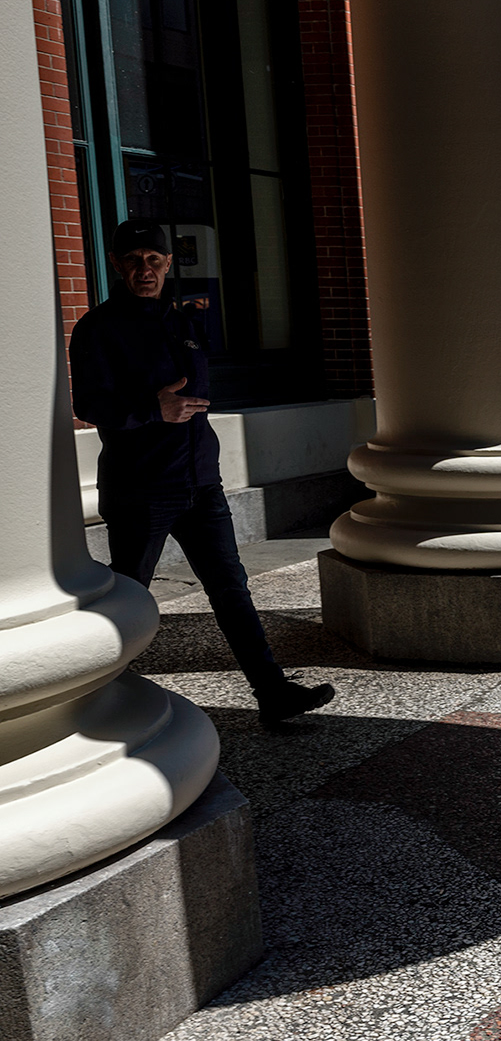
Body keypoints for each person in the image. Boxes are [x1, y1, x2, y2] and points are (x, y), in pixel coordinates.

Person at [69, 220, 334, 727]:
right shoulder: (97, 328)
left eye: (153, 259)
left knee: (231, 587)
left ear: (168, 265)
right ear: (115, 264)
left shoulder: (184, 321)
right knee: (129, 598)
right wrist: (153, 408)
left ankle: (272, 692)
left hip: (199, 483)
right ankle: (96, 703)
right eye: (133, 260)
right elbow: (90, 404)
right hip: (140, 488)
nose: (143, 269)